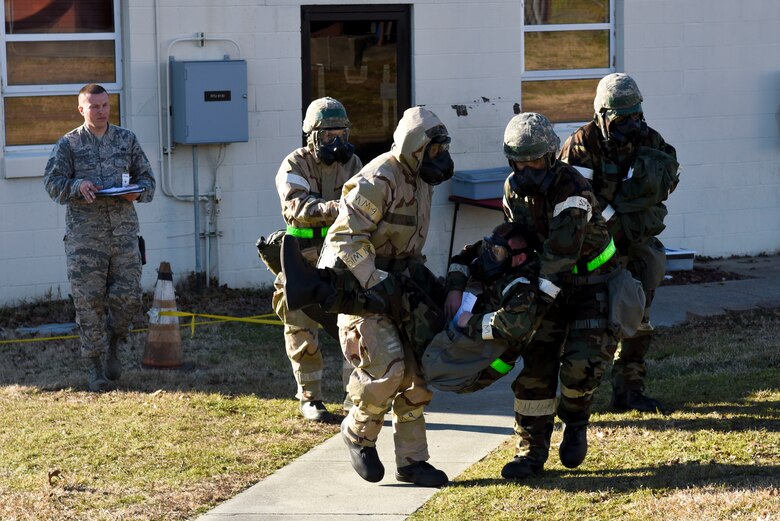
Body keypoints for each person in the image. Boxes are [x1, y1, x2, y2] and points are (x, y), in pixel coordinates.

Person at [315, 106, 454, 487]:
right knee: (388, 370)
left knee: (417, 378)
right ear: (416, 148)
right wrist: (375, 281)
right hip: (359, 288)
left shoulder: (420, 177)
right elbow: (344, 237)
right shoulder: (380, 178)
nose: (441, 159)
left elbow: (407, 244)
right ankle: (357, 434)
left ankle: (412, 462)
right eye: (435, 151)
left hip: (401, 285)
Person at [282, 221, 546, 394]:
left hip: (463, 362)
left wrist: (470, 322)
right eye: (489, 248)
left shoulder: (523, 287)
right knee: (413, 270)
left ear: (519, 258)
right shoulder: (500, 257)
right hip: (455, 333)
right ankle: (317, 282)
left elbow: (515, 325)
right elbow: (465, 257)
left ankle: (317, 290)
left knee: (401, 290)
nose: (488, 255)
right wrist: (455, 288)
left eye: (496, 253)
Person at [500, 112, 619, 479]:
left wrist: (532, 305)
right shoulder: (512, 187)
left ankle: (576, 421)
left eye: (534, 160)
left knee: (581, 366)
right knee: (536, 367)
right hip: (545, 285)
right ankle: (530, 454)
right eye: (519, 161)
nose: (526, 168)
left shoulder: (573, 191)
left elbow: (559, 256)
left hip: (589, 284)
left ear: (551, 156)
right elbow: (517, 236)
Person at [558, 73, 680, 413]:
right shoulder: (581, 145)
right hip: (595, 249)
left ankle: (629, 390)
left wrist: (642, 194)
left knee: (640, 318)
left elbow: (669, 177)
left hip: (636, 244)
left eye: (636, 115)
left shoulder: (650, 139)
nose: (631, 124)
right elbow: (575, 200)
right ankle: (576, 397)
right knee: (593, 325)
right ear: (602, 114)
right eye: (621, 117)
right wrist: (615, 214)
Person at [43, 83, 156, 392]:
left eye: (105, 105)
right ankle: (95, 367)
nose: (101, 111)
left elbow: (148, 180)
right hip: (85, 241)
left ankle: (116, 343)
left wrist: (138, 192)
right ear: (82, 110)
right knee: (88, 305)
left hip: (123, 237)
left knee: (128, 300)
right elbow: (52, 184)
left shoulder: (126, 140)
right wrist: (77, 186)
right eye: (94, 106)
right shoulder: (69, 144)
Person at [270, 97, 363, 422]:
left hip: (342, 255)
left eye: (341, 134)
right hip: (303, 256)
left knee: (355, 327)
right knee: (300, 325)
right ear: (312, 137)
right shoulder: (294, 164)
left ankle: (356, 399)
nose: (336, 142)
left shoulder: (353, 165)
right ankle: (310, 397)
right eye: (328, 136)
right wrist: (336, 208)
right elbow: (296, 208)